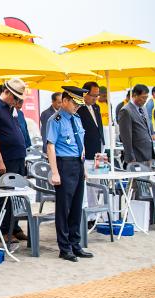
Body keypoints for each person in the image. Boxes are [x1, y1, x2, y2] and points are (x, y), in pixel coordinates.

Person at [46, 86, 93, 262]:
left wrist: (84, 167)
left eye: (79, 104)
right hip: (64, 164)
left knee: (76, 207)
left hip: (77, 164)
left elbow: (81, 142)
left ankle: (75, 244)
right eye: (74, 103)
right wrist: (55, 172)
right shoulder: (55, 120)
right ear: (65, 101)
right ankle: (64, 248)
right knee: (63, 209)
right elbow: (50, 146)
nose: (77, 107)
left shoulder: (77, 118)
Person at [0, 78, 28, 243]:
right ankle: (4, 229)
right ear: (8, 93)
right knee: (6, 195)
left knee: (16, 195)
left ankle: (14, 226)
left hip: (18, 156)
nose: (18, 101)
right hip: (7, 158)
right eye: (16, 97)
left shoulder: (10, 108)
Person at [118, 84, 154, 166]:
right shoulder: (126, 111)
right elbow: (126, 137)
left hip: (147, 154)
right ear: (134, 95)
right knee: (137, 179)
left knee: (146, 178)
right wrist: (130, 157)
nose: (145, 100)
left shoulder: (143, 108)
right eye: (143, 97)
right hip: (136, 155)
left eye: (146, 97)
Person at [76, 82, 104, 160]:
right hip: (86, 148)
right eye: (93, 95)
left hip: (98, 146)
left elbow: (98, 125)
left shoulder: (96, 107)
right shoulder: (77, 108)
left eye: (97, 95)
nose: (95, 98)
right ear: (84, 93)